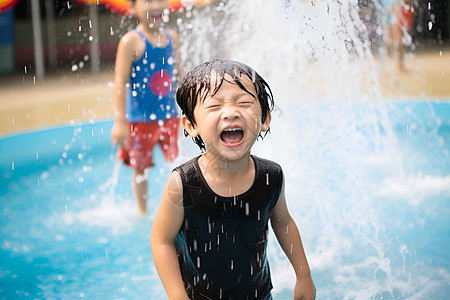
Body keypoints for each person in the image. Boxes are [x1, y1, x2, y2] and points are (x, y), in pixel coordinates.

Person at [150, 59, 316, 300]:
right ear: (191, 124)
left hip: (258, 294)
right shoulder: (184, 183)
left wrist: (304, 276)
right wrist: (177, 296)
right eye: (215, 107)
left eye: (244, 103)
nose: (231, 113)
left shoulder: (271, 177)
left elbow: (283, 223)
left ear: (265, 119)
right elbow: (161, 240)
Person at [111, 0, 182, 215]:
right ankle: (143, 212)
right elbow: (119, 81)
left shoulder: (172, 37)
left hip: (170, 116)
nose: (156, 5)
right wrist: (120, 121)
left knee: (178, 164)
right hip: (139, 121)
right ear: (132, 7)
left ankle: (179, 210)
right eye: (148, 1)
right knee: (140, 168)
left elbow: (180, 74)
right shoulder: (131, 41)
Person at [382, 0, 414, 71]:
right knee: (388, 40)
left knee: (398, 40)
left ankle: (400, 65)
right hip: (386, 15)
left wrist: (397, 9)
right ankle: (398, 61)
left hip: (396, 14)